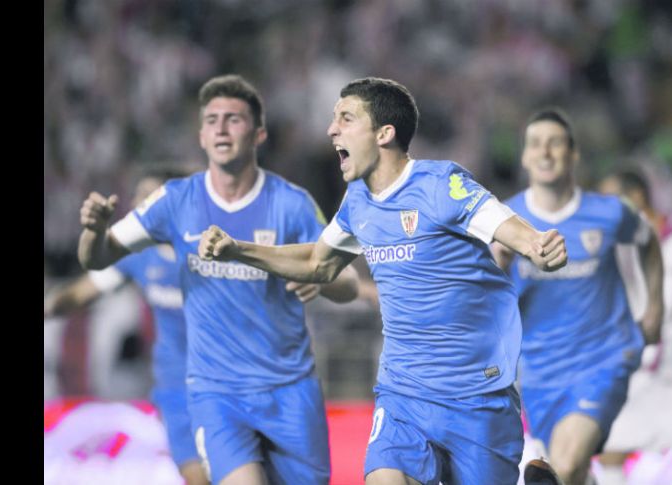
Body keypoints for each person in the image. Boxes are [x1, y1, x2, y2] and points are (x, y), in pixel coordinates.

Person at [197, 76, 568, 485]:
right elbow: (318, 263)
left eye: (346, 118)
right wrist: (238, 250)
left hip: (477, 397)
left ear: (384, 133)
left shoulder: (441, 184)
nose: (331, 129)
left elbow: (504, 224)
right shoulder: (357, 202)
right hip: (403, 394)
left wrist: (536, 245)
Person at [76, 74, 360, 485]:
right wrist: (94, 231)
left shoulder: (292, 204)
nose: (222, 128)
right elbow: (98, 258)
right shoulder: (175, 201)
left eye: (234, 119)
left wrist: (323, 279)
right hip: (216, 392)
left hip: (290, 390)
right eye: (212, 120)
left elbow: (347, 282)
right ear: (201, 136)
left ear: (259, 133)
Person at [492, 109, 665, 485]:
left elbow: (649, 241)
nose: (546, 152)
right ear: (524, 157)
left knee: (565, 463)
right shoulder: (505, 219)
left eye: (556, 143)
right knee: (570, 470)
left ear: (573, 155)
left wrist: (654, 308)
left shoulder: (610, 213)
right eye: (536, 144)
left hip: (603, 358)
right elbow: (486, 290)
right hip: (538, 370)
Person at [45, 166, 209, 485]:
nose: (137, 205)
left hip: (227, 385)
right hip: (175, 390)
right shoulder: (138, 258)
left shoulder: (212, 251)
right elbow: (80, 293)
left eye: (148, 198)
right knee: (196, 478)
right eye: (137, 197)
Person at [596, 168, 672, 481]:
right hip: (647, 373)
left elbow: (662, 305)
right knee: (609, 447)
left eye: (610, 200)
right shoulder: (625, 245)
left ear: (635, 197)